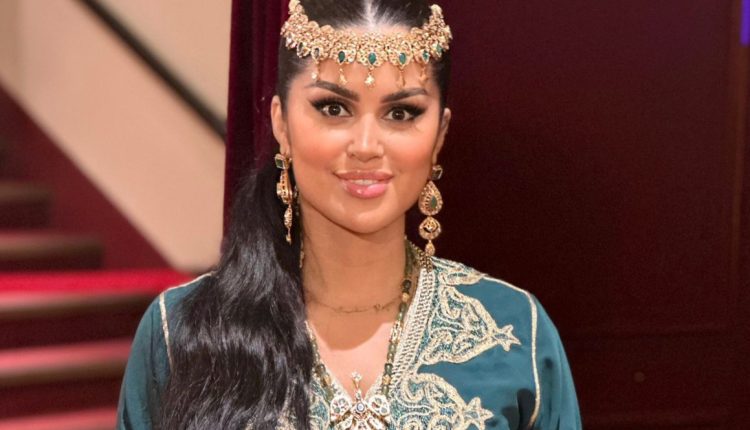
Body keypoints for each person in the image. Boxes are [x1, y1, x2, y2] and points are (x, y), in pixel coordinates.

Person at [116, 0, 581, 429]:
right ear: (281, 123)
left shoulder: (516, 332)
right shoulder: (181, 333)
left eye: (401, 113)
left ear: (439, 134)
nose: (365, 146)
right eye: (333, 108)